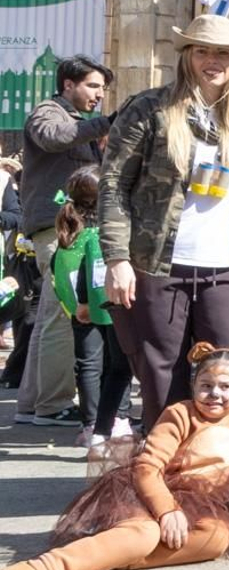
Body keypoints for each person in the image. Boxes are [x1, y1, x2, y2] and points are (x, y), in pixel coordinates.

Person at [0, 343, 229, 570]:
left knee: (217, 538)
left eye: (225, 387)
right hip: (151, 491)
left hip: (203, 503)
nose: (214, 393)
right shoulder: (180, 413)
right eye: (205, 385)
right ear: (194, 385)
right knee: (144, 534)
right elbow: (147, 467)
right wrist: (166, 510)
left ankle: (108, 557)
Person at [101, 16, 229, 426]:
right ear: (187, 56)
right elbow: (114, 185)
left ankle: (220, 474)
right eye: (202, 51)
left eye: (223, 52)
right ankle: (167, 474)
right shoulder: (149, 109)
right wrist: (116, 259)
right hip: (159, 265)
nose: (213, 60)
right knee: (162, 377)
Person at [17, 54, 113, 427]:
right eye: (92, 86)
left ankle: (33, 403)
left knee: (49, 317)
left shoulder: (78, 121)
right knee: (65, 315)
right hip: (56, 230)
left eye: (103, 89)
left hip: (62, 231)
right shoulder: (48, 112)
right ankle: (54, 405)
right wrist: (107, 124)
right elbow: (54, 138)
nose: (99, 95)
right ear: (68, 85)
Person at [51, 167, 134, 448]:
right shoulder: (105, 235)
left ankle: (89, 424)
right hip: (109, 306)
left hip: (79, 312)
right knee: (118, 365)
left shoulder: (69, 235)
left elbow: (56, 272)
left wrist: (77, 305)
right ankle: (119, 418)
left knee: (87, 366)